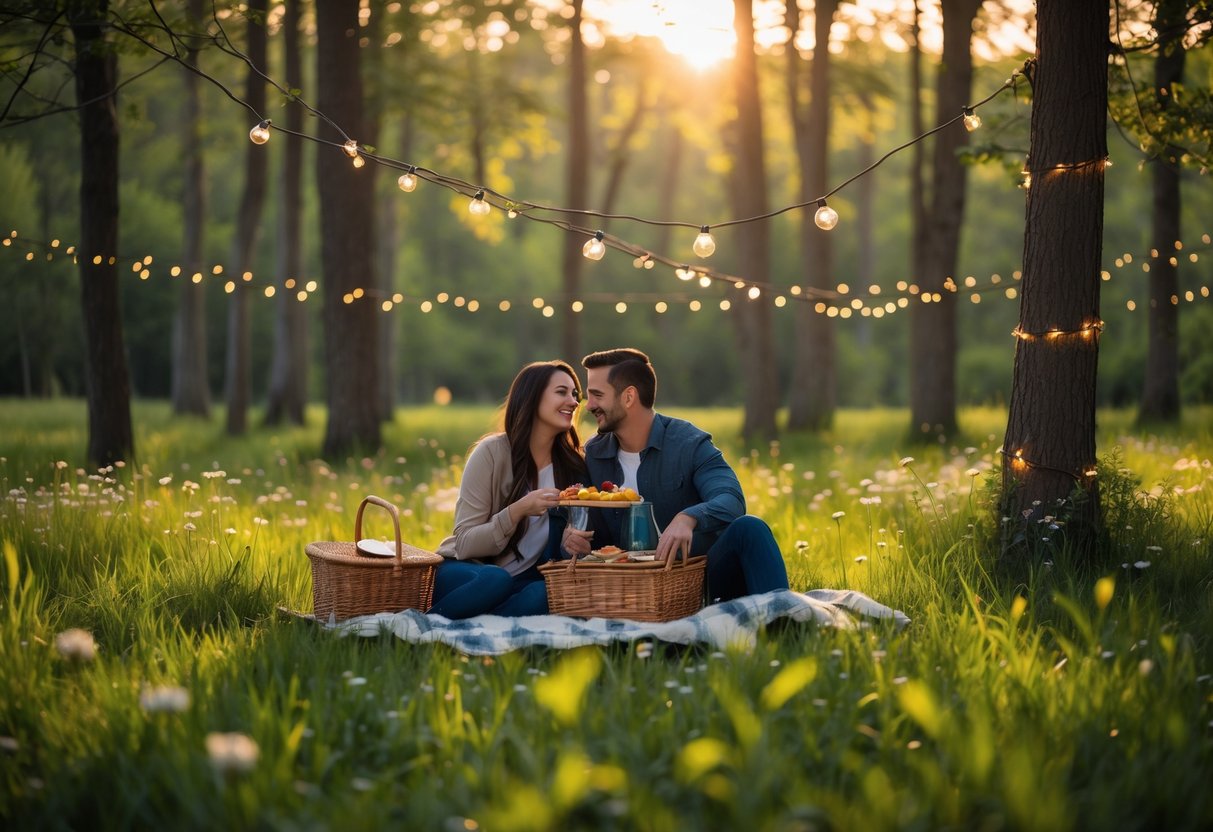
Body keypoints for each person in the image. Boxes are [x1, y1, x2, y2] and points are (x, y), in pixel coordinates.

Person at [563, 348, 789, 603]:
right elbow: (597, 536)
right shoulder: (594, 454)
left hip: (701, 579)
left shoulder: (689, 442)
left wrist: (688, 518)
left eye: (597, 395)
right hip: (636, 592)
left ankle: (783, 620)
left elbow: (731, 499)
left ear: (628, 397)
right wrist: (579, 543)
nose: (589, 405)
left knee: (750, 527)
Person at [430, 360, 588, 618]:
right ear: (532, 397)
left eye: (574, 394)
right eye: (561, 392)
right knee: (496, 580)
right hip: (469, 571)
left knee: (543, 594)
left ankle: (472, 625)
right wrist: (517, 511)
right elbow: (465, 542)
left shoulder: (573, 467)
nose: (573, 401)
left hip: (522, 581)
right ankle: (427, 627)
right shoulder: (491, 453)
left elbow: (559, 548)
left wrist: (569, 544)